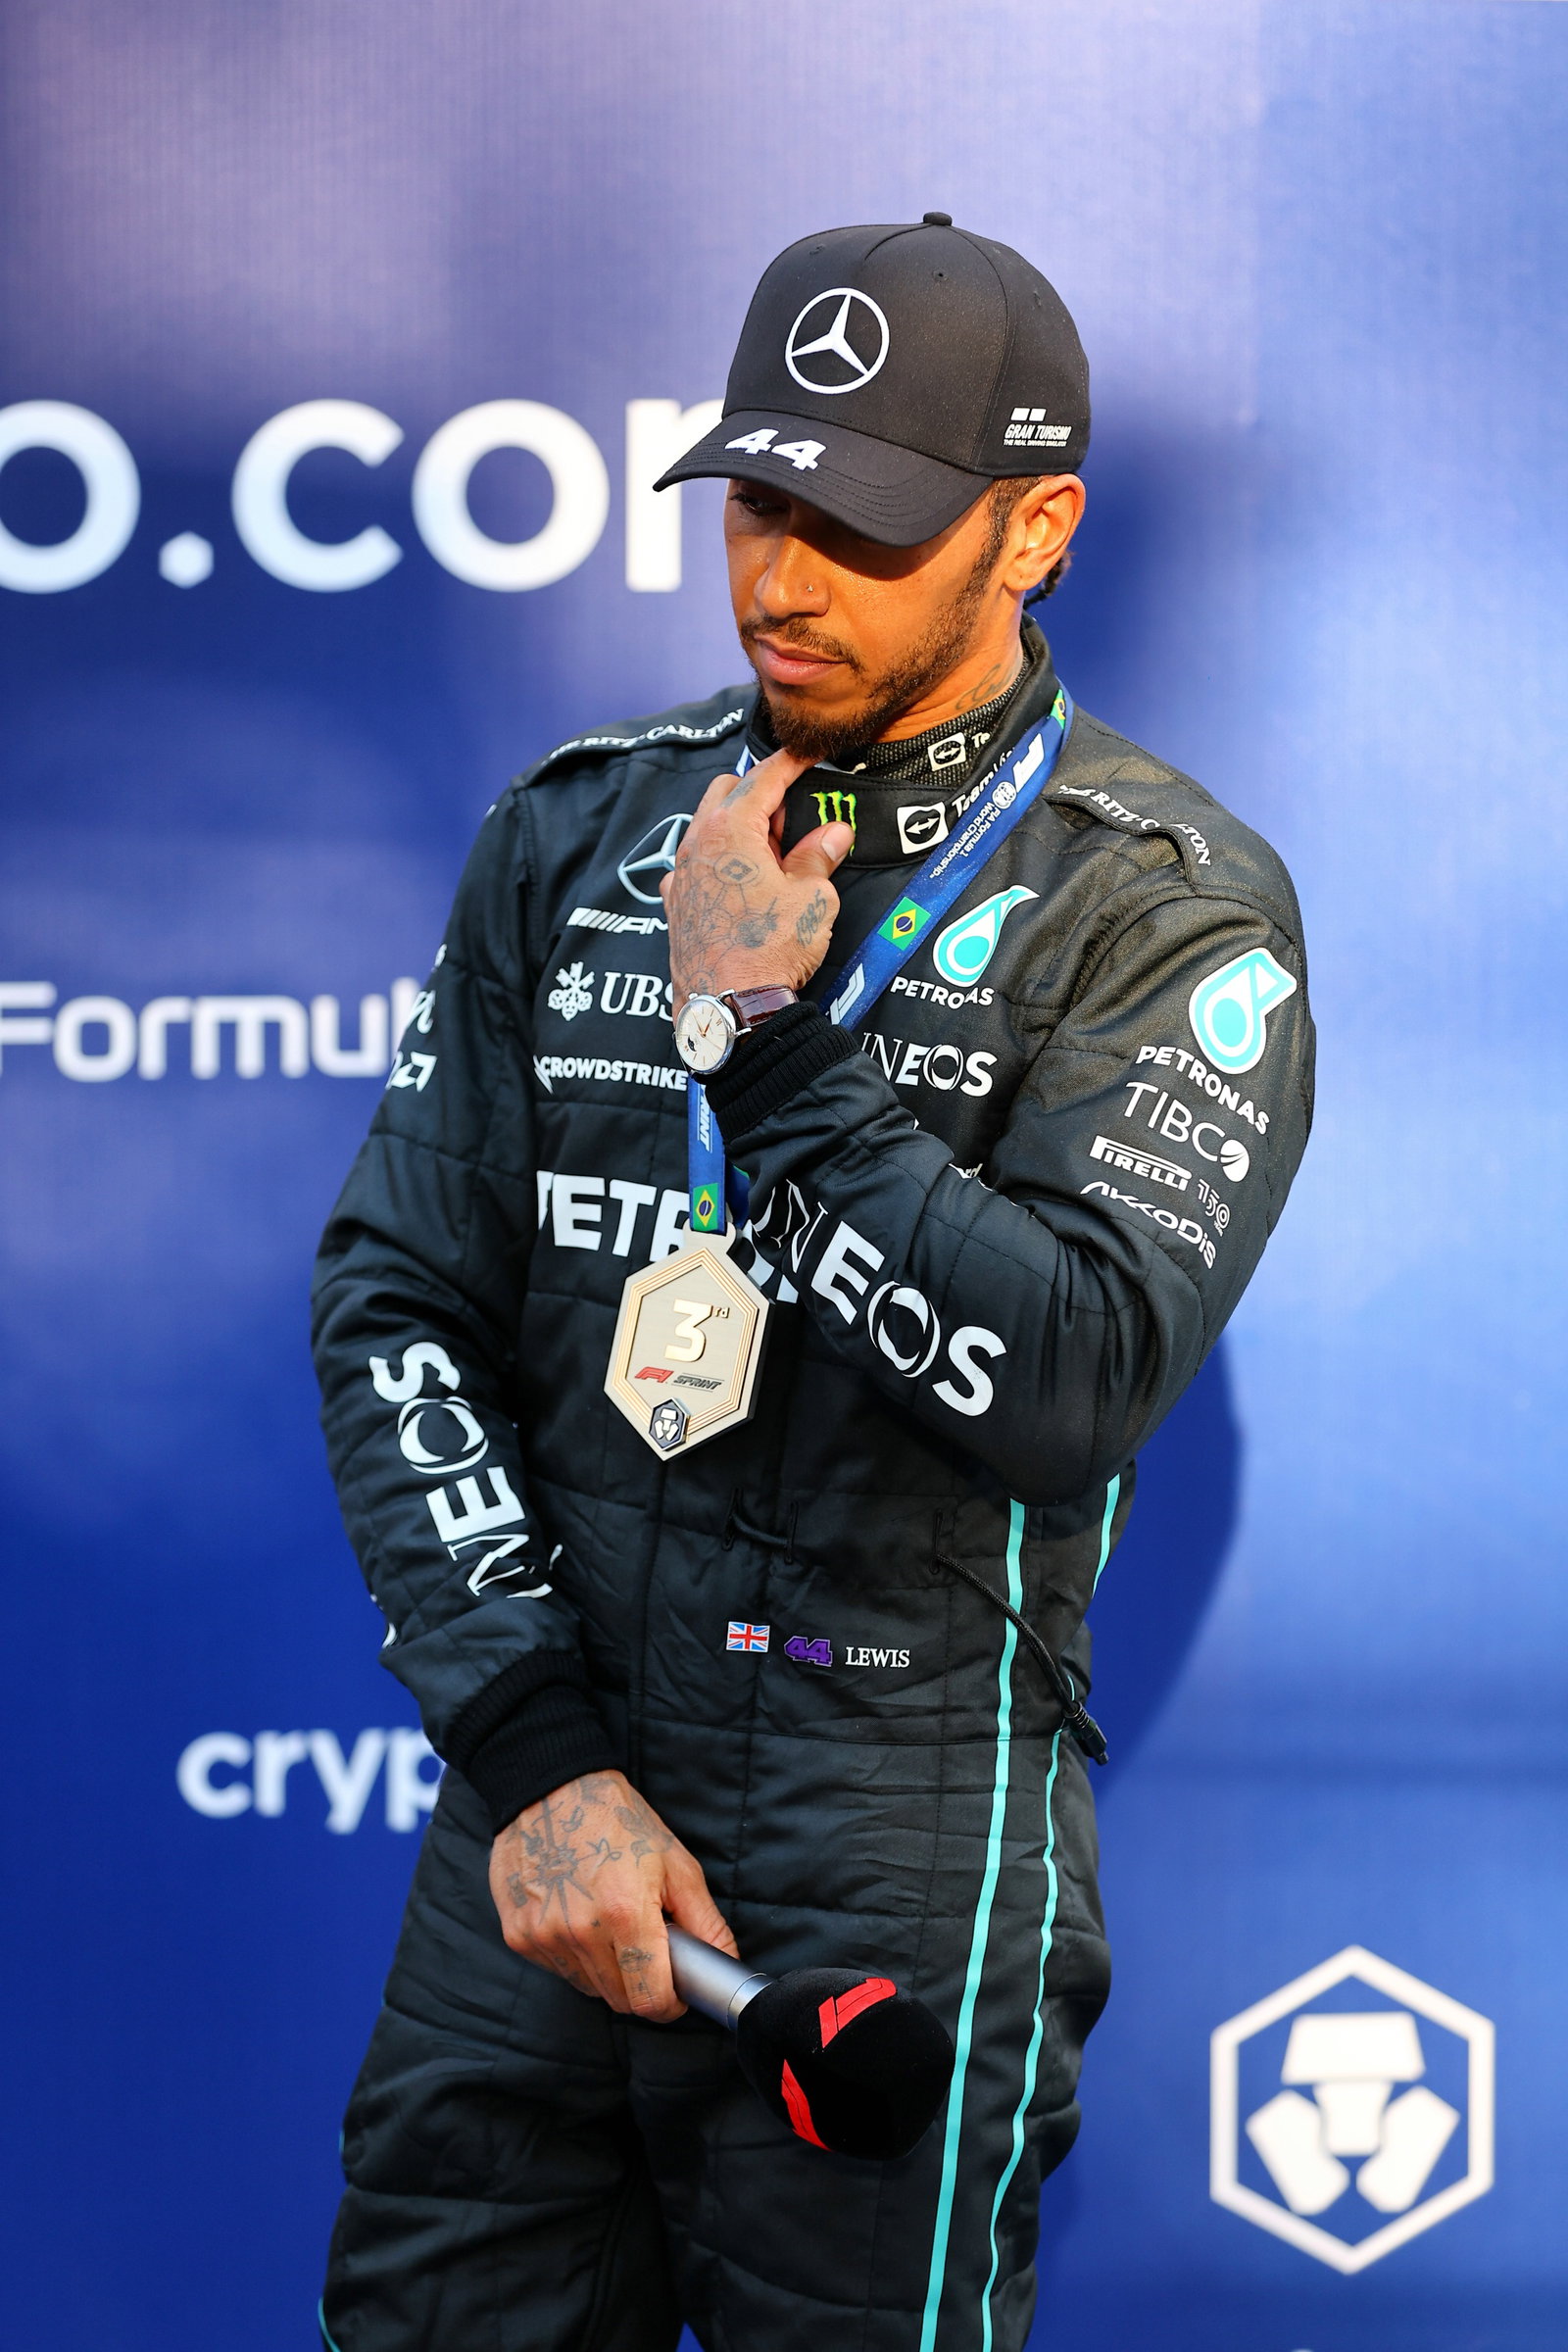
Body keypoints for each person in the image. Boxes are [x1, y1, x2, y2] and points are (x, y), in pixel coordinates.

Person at [313, 215, 1314, 2352]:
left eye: (853, 525)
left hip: (893, 1866)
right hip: (541, 1852)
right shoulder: (575, 835)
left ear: (1028, 529)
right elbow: (393, 1304)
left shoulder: (1163, 915)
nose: (776, 577)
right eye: (754, 502)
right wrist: (534, 1750)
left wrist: (763, 1054)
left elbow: (1060, 1382)